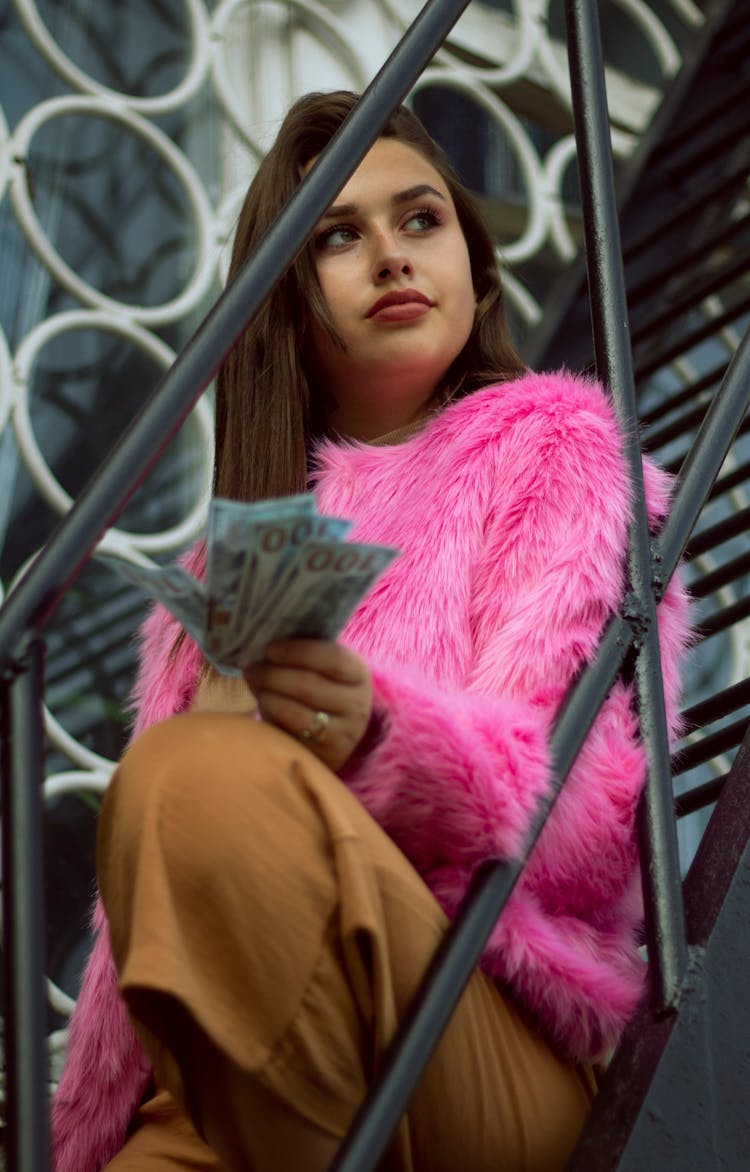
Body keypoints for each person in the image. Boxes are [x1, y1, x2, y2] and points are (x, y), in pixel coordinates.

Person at [51, 90, 691, 1172]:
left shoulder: (555, 450)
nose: (392, 256)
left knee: (189, 778)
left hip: (486, 1022)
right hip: (241, 1071)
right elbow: (136, 956)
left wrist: (380, 739)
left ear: (478, 269)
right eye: (340, 235)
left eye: (421, 218)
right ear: (290, 304)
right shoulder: (216, 588)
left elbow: (595, 842)